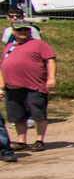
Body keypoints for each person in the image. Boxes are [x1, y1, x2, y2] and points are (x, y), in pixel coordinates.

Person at [3, 23, 57, 152]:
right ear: (13, 32)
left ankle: (39, 140)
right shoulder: (9, 47)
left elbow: (50, 61)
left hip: (34, 86)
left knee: (38, 114)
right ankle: (21, 141)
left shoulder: (39, 44)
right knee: (17, 116)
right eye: (19, 30)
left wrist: (51, 78)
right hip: (13, 88)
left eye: (25, 29)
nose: (23, 32)